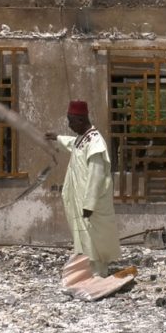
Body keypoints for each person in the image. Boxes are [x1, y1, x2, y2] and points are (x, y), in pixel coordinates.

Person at [46, 100, 120, 277]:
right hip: (81, 201)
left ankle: (99, 272)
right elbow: (73, 144)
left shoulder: (95, 142)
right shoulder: (83, 138)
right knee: (84, 238)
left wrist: (89, 204)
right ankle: (89, 269)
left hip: (90, 204)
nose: (70, 126)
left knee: (93, 238)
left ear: (80, 119)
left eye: (71, 122)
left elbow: (97, 176)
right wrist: (57, 138)